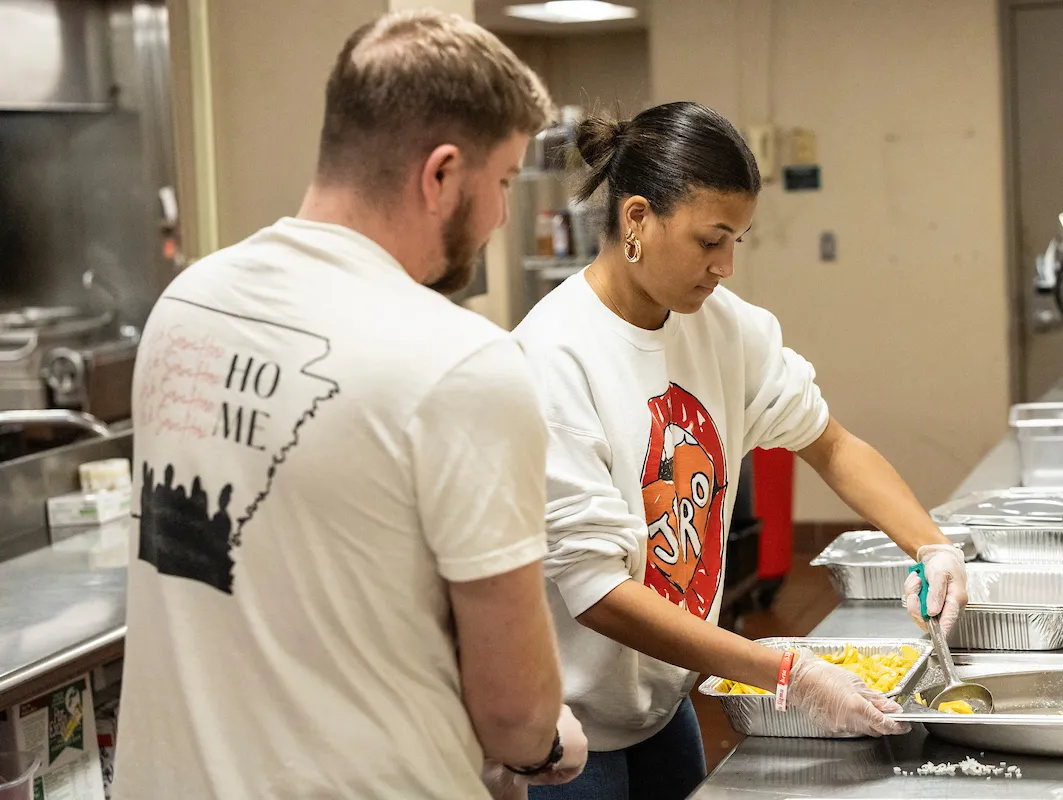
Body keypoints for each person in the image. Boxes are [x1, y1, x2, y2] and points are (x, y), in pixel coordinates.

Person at [114, 11, 587, 798]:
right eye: (501, 182)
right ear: (439, 175)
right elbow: (514, 712)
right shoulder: (461, 363)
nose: (504, 214)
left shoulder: (187, 307)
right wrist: (548, 741)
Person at [512, 102, 969, 799]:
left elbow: (832, 444)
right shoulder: (554, 356)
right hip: (564, 728)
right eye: (710, 239)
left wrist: (931, 546)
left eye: (739, 241)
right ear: (636, 220)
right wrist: (786, 672)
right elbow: (597, 594)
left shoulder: (725, 330)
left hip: (662, 703)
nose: (725, 266)